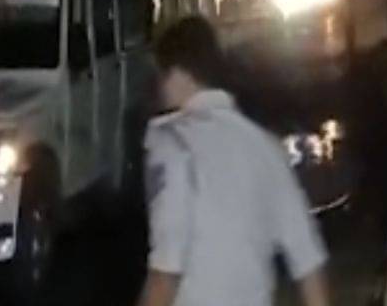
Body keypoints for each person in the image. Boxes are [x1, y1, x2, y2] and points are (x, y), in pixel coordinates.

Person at [137, 16, 329, 306]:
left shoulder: (171, 143)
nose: (159, 87)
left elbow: (166, 270)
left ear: (179, 74)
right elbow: (308, 261)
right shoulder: (264, 146)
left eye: (161, 75)